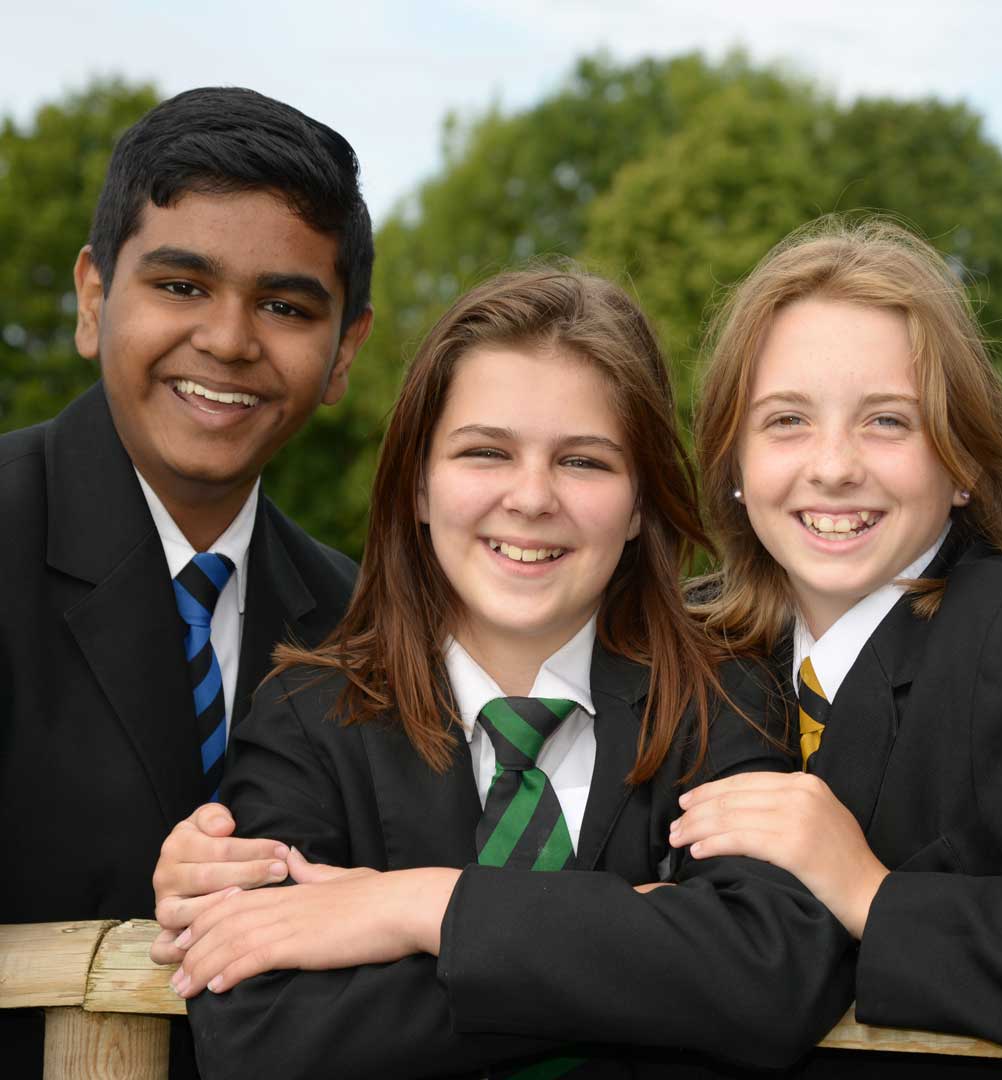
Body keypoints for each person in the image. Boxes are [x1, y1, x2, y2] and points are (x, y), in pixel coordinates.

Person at [164, 267, 855, 1078]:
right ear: (419, 485)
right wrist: (632, 950)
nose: (531, 499)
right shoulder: (309, 715)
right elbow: (259, 1030)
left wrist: (421, 908)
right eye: (486, 451)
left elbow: (770, 974)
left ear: (638, 504)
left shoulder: (720, 698)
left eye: (584, 463)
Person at [0, 86, 373, 1077]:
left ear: (345, 355)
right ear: (91, 299)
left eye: (287, 306)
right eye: (180, 286)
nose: (229, 339)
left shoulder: (363, 622)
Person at [670, 216, 1002, 1076]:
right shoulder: (685, 651)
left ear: (962, 459)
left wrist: (870, 892)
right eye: (786, 421)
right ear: (734, 465)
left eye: (887, 422)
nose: (832, 466)